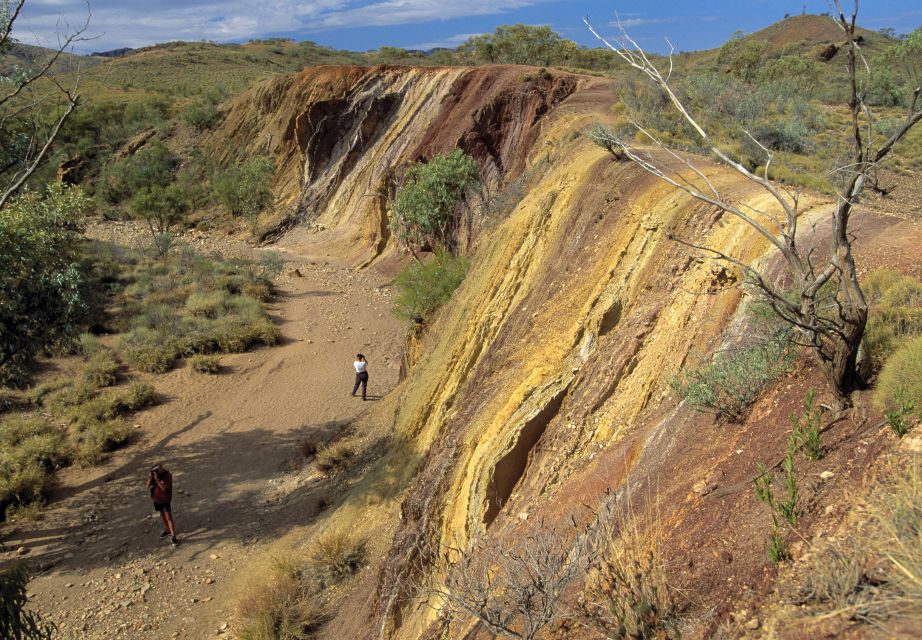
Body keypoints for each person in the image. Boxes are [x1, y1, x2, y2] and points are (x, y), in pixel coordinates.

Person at [147, 463, 178, 546]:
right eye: (155, 470)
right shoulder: (155, 475)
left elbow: (163, 488)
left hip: (165, 500)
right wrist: (151, 477)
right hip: (157, 500)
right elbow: (147, 486)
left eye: (158, 469)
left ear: (161, 467)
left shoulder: (167, 475)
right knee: (163, 516)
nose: (157, 471)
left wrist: (157, 479)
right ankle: (168, 530)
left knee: (168, 517)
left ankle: (173, 535)